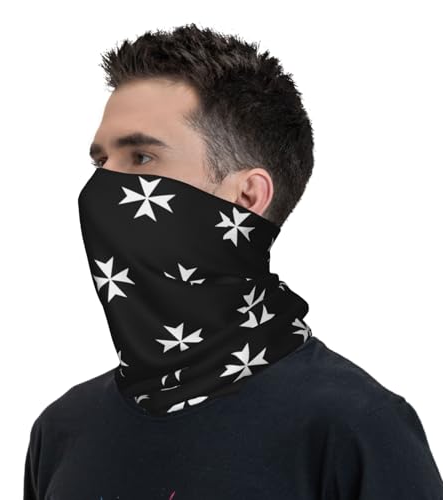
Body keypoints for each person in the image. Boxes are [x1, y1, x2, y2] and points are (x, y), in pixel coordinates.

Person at [23, 23, 443, 499]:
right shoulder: (62, 430)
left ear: (246, 196)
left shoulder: (353, 428)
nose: (101, 188)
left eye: (141, 158)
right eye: (101, 163)